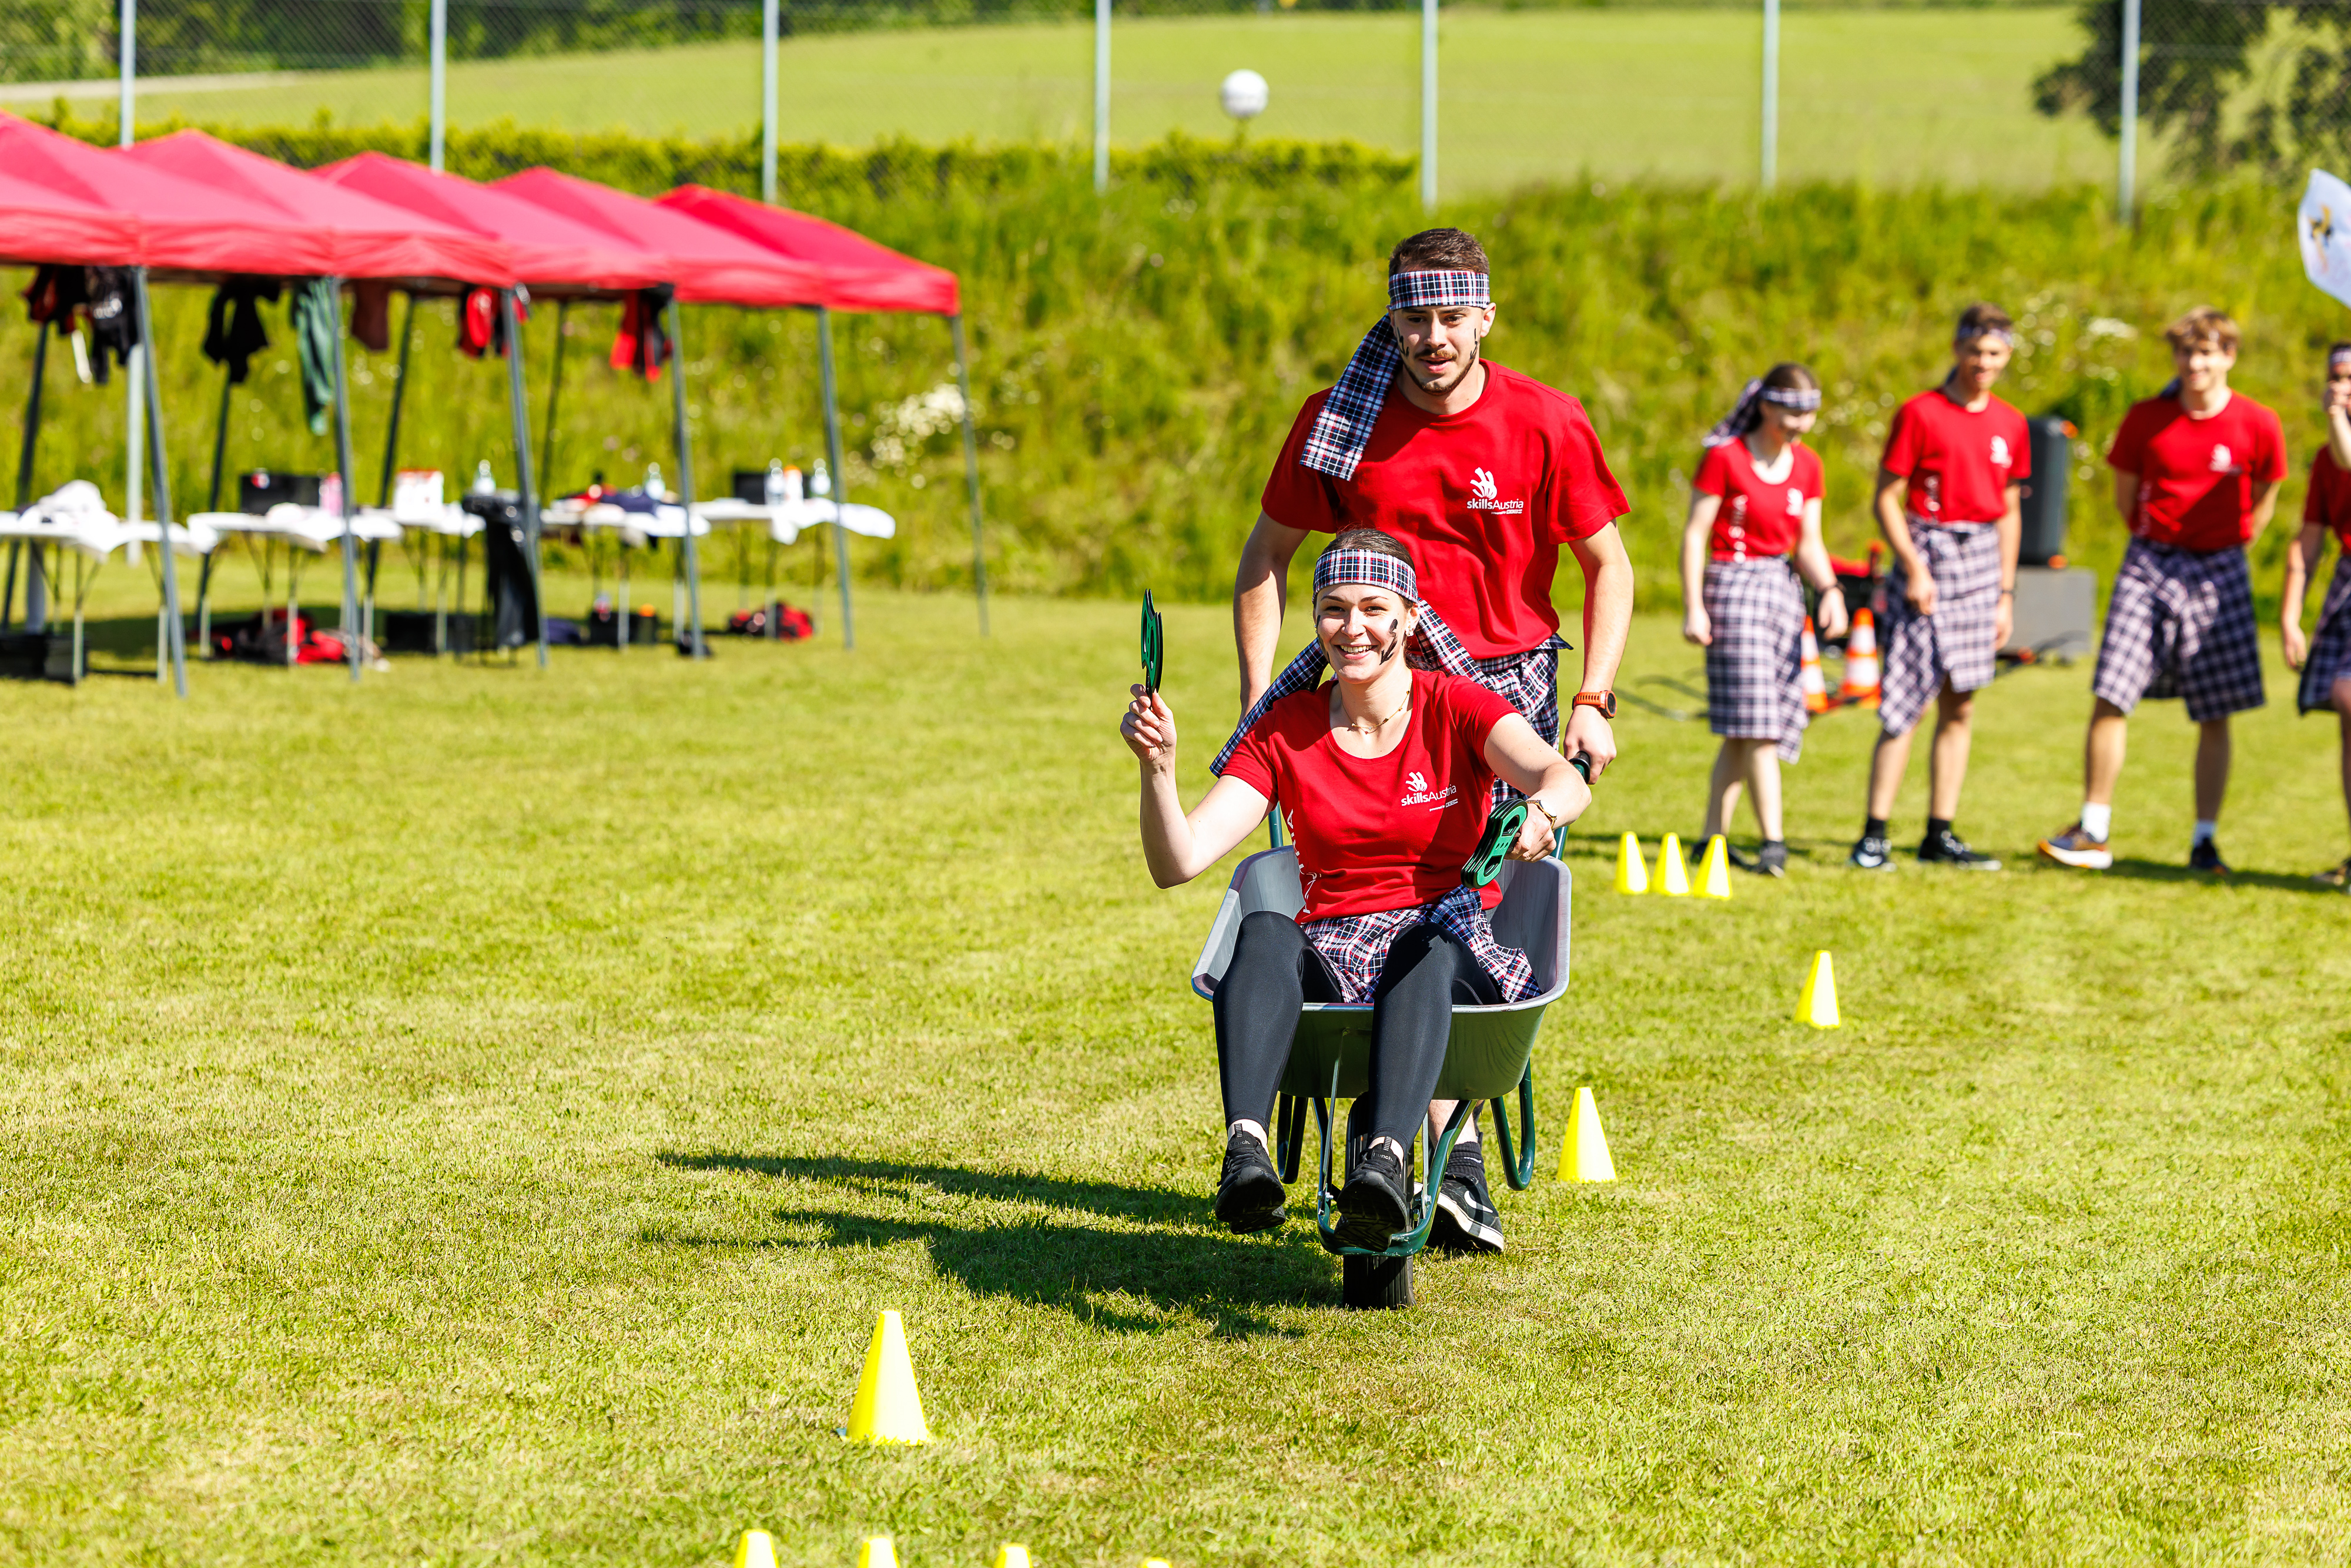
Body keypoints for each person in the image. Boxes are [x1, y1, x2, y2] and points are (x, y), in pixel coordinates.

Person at [1233, 225, 1633, 1250]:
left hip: (1502, 695)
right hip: (1373, 690)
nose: (1433, 336)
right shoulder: (1342, 420)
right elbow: (1265, 558)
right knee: (1382, 901)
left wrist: (1594, 699)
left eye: (1453, 315)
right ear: (1393, 318)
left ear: (1486, 315)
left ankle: (1446, 1158)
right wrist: (1256, 716)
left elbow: (1609, 565)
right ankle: (1434, 1158)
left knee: (1471, 917)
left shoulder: (1545, 420)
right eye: (1415, 316)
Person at [1126, 531, 1589, 1250]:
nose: (1354, 628)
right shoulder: (1286, 729)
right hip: (1338, 945)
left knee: (1424, 948)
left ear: (1409, 616)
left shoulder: (1456, 705)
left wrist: (1541, 811)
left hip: (1450, 941)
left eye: (1374, 608)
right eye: (1334, 609)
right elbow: (1178, 859)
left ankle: (1387, 1158)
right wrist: (1159, 768)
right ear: (1315, 621)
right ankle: (1245, 1153)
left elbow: (1559, 775)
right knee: (1266, 929)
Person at [2039, 307, 2283, 876]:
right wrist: (2157, 541)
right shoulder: (2147, 418)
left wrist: (2243, 537)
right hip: (2149, 561)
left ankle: (2205, 841)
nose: (2194, 364)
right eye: (2185, 353)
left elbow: (2270, 484)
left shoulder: (2258, 421)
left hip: (2219, 567)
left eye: (2207, 352)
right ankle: (2093, 830)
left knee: (2216, 710)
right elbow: (2125, 497)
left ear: (2229, 357)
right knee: (2111, 693)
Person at [1849, 303, 2028, 872]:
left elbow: (2007, 511)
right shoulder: (1920, 412)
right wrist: (1913, 566)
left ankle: (1939, 832)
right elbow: (1886, 497)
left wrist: (2005, 592)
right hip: (1926, 552)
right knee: (1905, 702)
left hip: (1981, 567)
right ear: (1957, 349)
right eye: (1975, 351)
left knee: (1962, 702)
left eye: (1994, 353)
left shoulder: (2011, 423)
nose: (1983, 363)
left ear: (2006, 356)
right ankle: (1874, 832)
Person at [1680, 363, 1847, 876]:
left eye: (1808, 415)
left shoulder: (1808, 466)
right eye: (1791, 414)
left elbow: (1809, 543)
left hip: (1782, 592)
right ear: (1767, 406)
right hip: (1732, 586)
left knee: (1743, 728)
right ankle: (1774, 841)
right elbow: (1695, 533)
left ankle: (1711, 841)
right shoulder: (1724, 457)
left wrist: (1831, 589)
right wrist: (1694, 605)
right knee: (1761, 726)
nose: (1799, 425)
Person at [2283, 343, 2351, 888]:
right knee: (2347, 708)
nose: (2341, 385)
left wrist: (2337, 420)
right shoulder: (2327, 460)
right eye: (2335, 376)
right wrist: (2289, 615)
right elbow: (2307, 543)